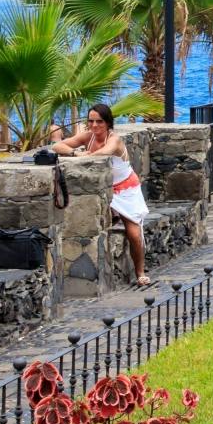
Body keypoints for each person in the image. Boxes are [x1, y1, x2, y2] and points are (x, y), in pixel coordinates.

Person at [48, 102, 151, 286]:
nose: (94, 126)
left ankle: (140, 271)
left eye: (99, 122)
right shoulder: (88, 136)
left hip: (125, 189)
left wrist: (84, 155)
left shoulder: (115, 139)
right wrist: (74, 153)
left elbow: (105, 152)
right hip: (104, 189)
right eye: (91, 121)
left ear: (108, 122)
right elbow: (57, 146)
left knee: (133, 232)